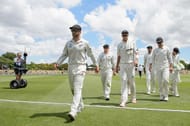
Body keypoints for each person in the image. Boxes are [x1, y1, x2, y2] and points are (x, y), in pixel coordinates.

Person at [55, 24, 98, 121]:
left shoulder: (85, 43)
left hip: (81, 67)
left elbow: (91, 54)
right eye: (72, 31)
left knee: (78, 89)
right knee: (73, 90)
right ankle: (81, 104)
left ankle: (73, 111)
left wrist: (96, 65)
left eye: (75, 30)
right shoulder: (68, 43)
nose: (73, 32)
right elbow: (64, 54)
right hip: (71, 67)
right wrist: (58, 62)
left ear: (80, 31)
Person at [116, 30, 138, 107]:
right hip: (122, 65)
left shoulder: (132, 42)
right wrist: (116, 66)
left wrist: (136, 60)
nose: (125, 36)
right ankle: (123, 101)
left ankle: (133, 97)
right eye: (123, 35)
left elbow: (136, 53)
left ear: (128, 35)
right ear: (121, 35)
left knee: (131, 82)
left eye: (126, 35)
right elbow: (118, 56)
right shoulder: (119, 45)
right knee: (123, 82)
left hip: (131, 64)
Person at [150, 37, 173, 101]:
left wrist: (171, 66)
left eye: (160, 42)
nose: (159, 44)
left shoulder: (167, 49)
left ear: (162, 42)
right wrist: (150, 66)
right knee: (160, 82)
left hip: (165, 67)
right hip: (158, 67)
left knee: (165, 80)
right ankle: (161, 95)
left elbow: (170, 58)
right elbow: (152, 59)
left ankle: (166, 95)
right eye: (158, 43)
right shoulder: (155, 50)